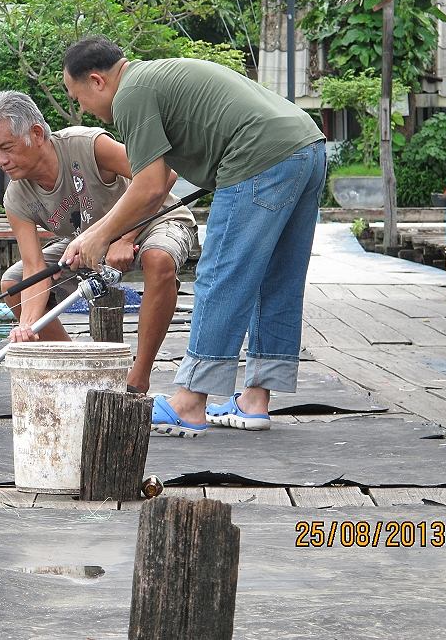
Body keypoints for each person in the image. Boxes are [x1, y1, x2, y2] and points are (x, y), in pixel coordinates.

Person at [60, 36, 327, 437]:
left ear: (97, 81)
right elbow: (163, 177)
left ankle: (189, 402)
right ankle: (255, 399)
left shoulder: (131, 93)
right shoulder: (156, 77)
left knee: (222, 275)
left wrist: (101, 236)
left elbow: (149, 186)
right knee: (278, 279)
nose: (80, 107)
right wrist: (109, 233)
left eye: (75, 95)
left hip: (260, 155)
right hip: (307, 146)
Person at [0, 90, 198, 394]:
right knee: (12, 285)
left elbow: (163, 175)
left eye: (6, 148)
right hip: (92, 244)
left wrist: (125, 236)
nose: (1, 161)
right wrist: (27, 324)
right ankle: (79, 367)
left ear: (37, 134)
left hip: (154, 220)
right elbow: (33, 266)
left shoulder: (86, 144)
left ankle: (138, 377)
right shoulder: (16, 197)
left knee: (158, 259)